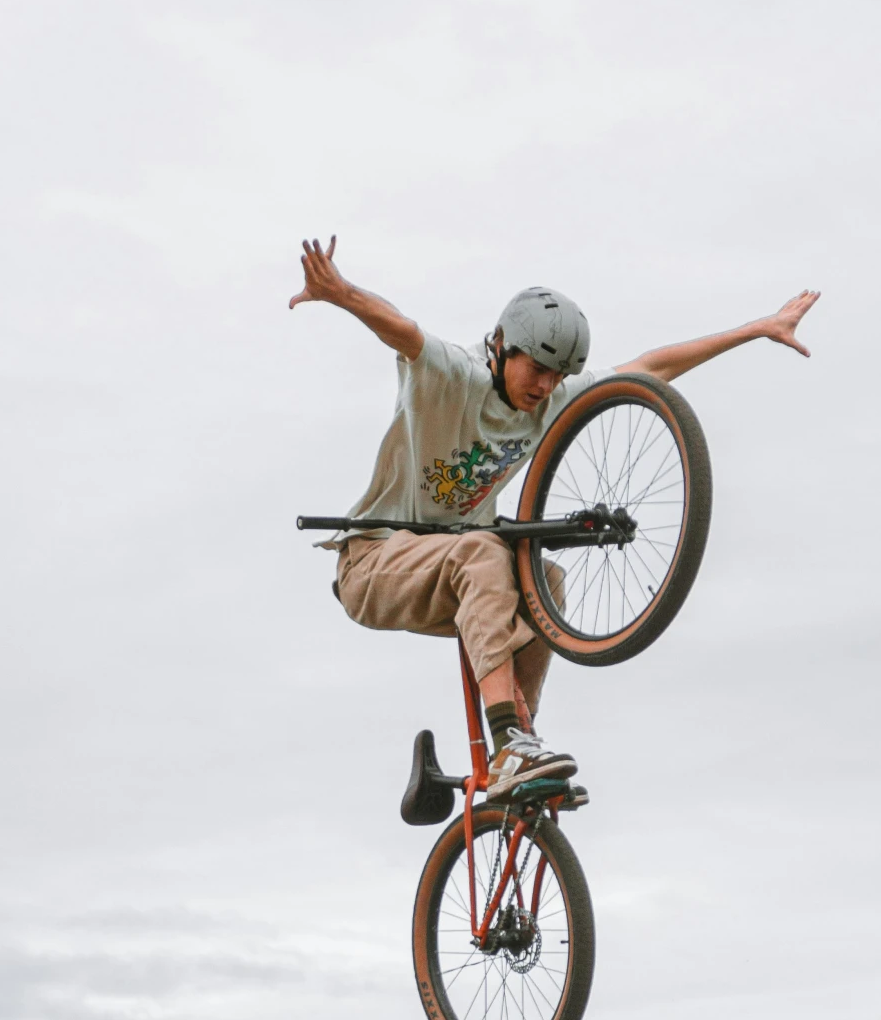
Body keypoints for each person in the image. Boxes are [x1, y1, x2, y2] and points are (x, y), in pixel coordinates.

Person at [290, 238, 819, 802]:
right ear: (502, 346)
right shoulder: (456, 374)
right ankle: (510, 742)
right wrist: (340, 293)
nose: (544, 386)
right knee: (485, 552)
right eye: (537, 369)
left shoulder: (549, 398)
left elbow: (651, 368)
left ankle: (520, 753)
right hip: (374, 562)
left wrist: (755, 329)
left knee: (547, 580)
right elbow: (401, 329)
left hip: (447, 567)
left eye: (557, 375)